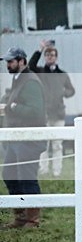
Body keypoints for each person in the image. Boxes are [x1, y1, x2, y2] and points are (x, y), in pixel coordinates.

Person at [2, 47, 47, 229]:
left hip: (28, 140)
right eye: (7, 61)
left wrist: (12, 107)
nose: (8, 64)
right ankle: (20, 217)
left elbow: (35, 112)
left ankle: (33, 219)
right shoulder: (18, 79)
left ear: (21, 61)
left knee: (27, 177)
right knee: (10, 174)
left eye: (11, 61)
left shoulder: (30, 81)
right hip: (17, 138)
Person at [29, 40, 75, 176]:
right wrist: (40, 50)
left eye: (52, 55)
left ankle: (57, 171)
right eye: (47, 55)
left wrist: (63, 93)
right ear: (45, 57)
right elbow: (30, 66)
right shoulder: (40, 72)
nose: (50, 57)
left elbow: (71, 90)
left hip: (58, 114)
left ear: (56, 57)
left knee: (57, 145)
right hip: (44, 114)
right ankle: (44, 169)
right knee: (44, 145)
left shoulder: (62, 74)